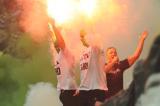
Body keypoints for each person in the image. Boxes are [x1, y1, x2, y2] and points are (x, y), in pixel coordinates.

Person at [105, 31, 148, 98]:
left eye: (115, 52)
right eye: (111, 52)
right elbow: (104, 71)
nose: (114, 54)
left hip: (119, 100)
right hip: (107, 101)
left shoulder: (121, 65)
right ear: (106, 56)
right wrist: (113, 62)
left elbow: (136, 55)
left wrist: (142, 40)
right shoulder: (103, 66)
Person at [48, 19, 79, 106]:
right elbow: (56, 41)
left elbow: (61, 42)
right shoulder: (58, 56)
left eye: (57, 42)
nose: (55, 43)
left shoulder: (66, 53)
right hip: (64, 93)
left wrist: (54, 26)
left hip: (70, 91)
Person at [79, 29, 108, 106]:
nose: (81, 39)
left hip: (96, 89)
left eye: (83, 36)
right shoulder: (82, 53)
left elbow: (94, 36)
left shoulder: (96, 47)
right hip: (84, 90)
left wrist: (89, 21)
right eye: (80, 37)